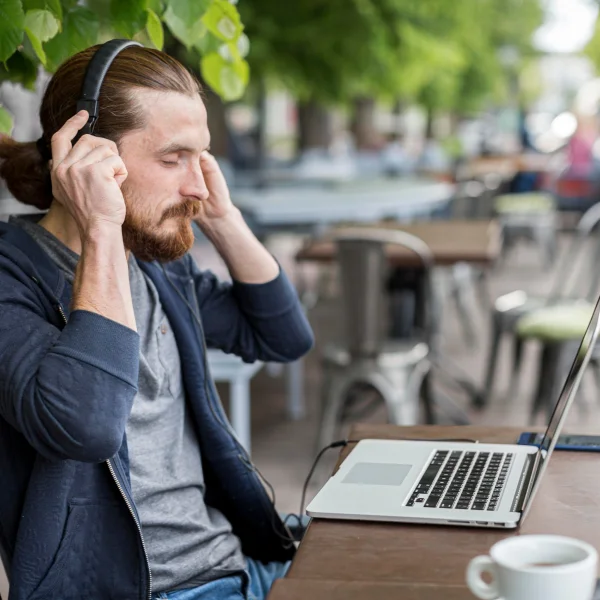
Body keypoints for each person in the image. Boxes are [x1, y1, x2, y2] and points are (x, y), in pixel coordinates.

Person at [0, 44, 314, 600]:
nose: (196, 183)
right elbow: (87, 426)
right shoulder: (11, 278)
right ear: (85, 155)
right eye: (173, 159)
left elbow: (282, 337)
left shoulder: (155, 267)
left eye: (202, 157)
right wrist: (99, 224)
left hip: (242, 565)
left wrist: (223, 217)